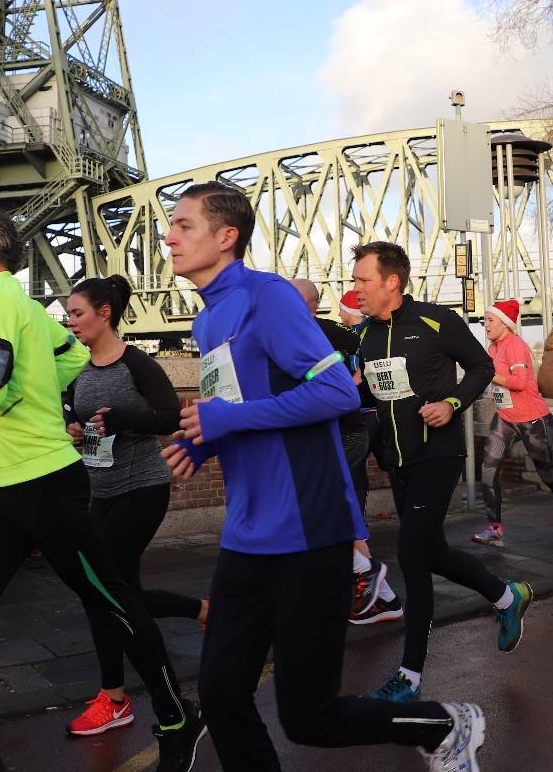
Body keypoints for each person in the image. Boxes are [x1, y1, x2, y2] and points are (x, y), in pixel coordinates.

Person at [163, 185, 484, 772]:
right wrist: (205, 438)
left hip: (307, 530)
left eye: (184, 226)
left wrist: (229, 419)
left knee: (309, 716)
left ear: (227, 236)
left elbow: (337, 393)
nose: (168, 237)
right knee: (221, 692)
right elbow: (238, 403)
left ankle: (443, 724)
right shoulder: (208, 318)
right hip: (246, 533)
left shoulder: (267, 297)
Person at [0, 204, 201, 772]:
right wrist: (31, 397)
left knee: (112, 601)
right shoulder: (20, 303)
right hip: (10, 488)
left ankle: (176, 717)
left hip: (43, 486)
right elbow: (71, 358)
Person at [352, 239, 532, 707]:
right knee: (433, 552)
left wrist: (452, 403)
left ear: (392, 281)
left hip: (439, 453)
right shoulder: (365, 335)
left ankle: (409, 676)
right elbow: (372, 396)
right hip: (398, 460)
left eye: (364, 280)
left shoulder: (436, 321)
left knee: (411, 552)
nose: (357, 289)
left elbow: (481, 367)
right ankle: (507, 597)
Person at [60, 275, 209, 737]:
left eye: (77, 313)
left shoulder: (137, 363)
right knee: (120, 592)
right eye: (68, 315)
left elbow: (173, 417)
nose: (70, 322)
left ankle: (114, 698)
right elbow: (74, 413)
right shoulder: (79, 368)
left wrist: (127, 419)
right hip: (101, 489)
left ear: (104, 313)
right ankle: (203, 611)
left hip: (142, 486)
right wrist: (75, 427)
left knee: (99, 589)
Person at [292, 281, 403, 626]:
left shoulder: (316, 332)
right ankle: (382, 594)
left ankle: (363, 575)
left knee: (318, 508)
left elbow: (356, 357)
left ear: (302, 303)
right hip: (336, 431)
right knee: (337, 510)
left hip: (343, 432)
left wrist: (355, 379)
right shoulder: (310, 332)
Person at [471, 299, 553, 548]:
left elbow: (520, 381)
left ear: (505, 324)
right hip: (505, 417)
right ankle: (495, 529)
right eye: (485, 320)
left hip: (533, 419)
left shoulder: (515, 345)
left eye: (490, 320)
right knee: (488, 470)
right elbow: (496, 379)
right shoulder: (493, 347)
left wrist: (491, 376)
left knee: (547, 475)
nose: (485, 325)